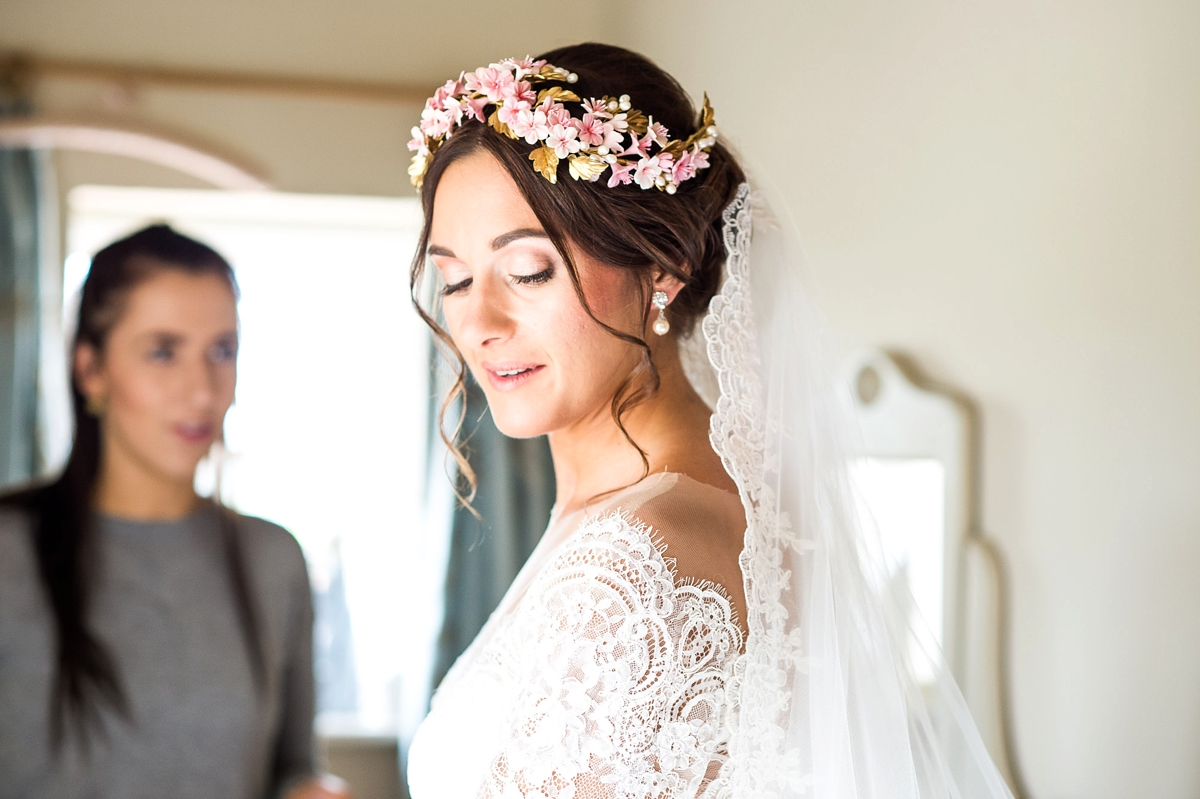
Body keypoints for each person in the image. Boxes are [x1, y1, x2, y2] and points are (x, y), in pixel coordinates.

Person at [404, 43, 1016, 799]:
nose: (479, 321)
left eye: (528, 271)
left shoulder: (633, 561)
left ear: (661, 264)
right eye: (454, 279)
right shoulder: (701, 500)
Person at [0, 225, 348, 799]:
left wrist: (314, 789)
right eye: (163, 352)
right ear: (91, 371)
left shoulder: (272, 560)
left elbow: (292, 768)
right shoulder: (10, 551)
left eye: (222, 351)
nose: (202, 391)